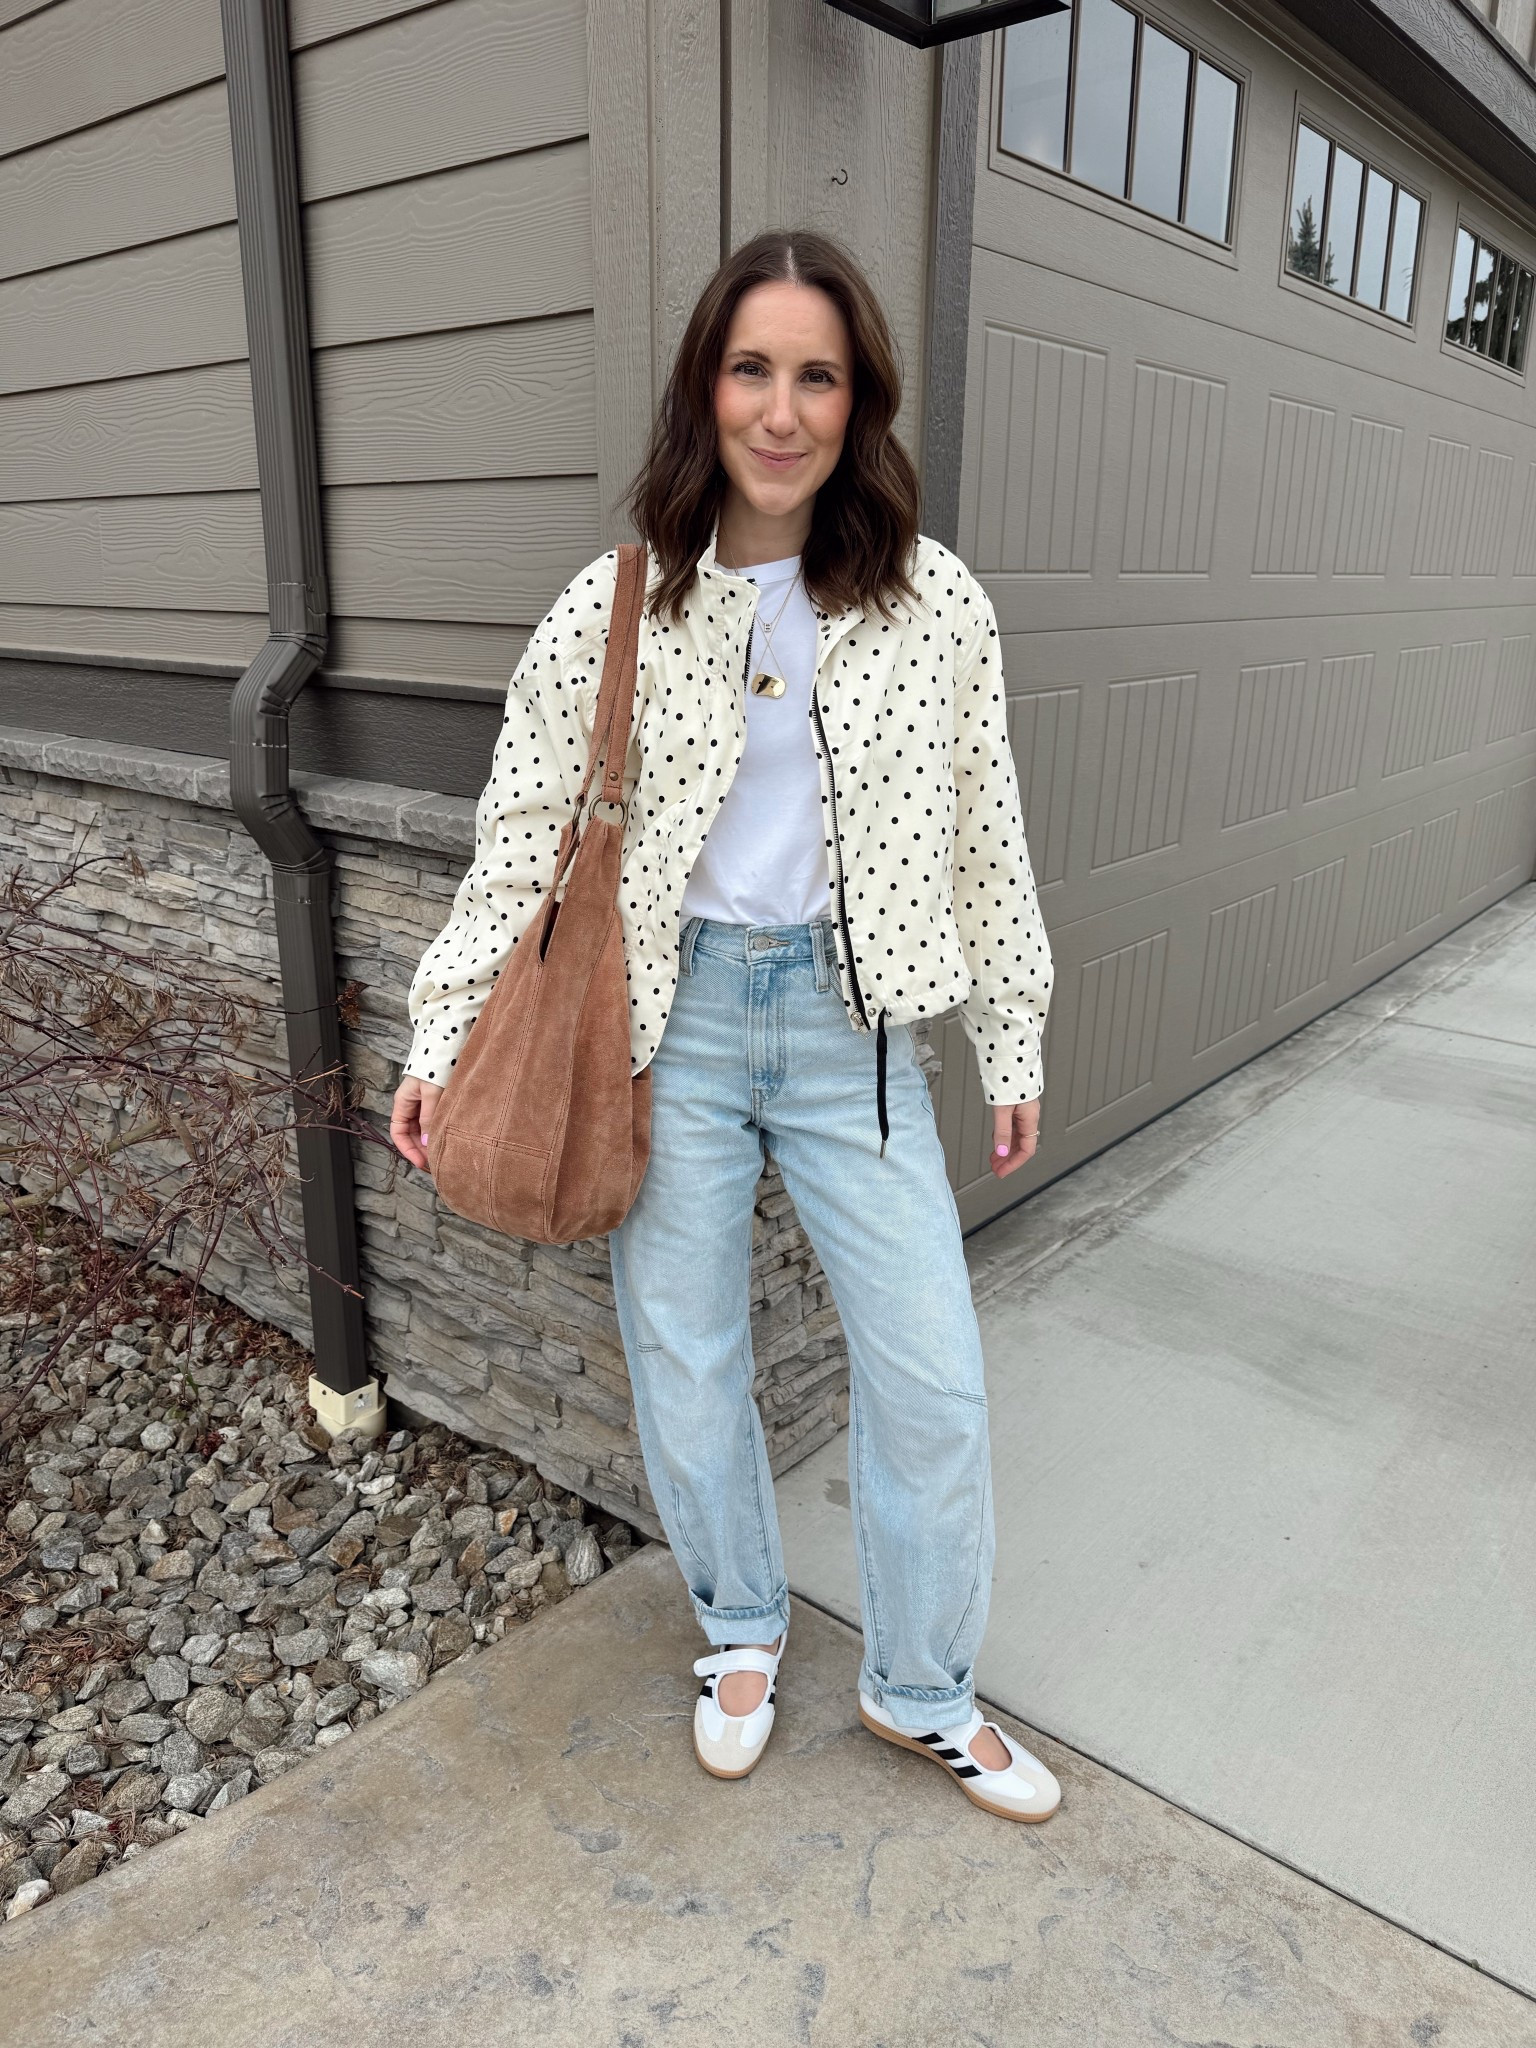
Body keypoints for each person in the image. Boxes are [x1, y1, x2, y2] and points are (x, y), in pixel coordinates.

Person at [390, 229, 1059, 1823]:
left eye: (815, 374)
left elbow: (987, 832)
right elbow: (524, 837)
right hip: (667, 1025)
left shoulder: (932, 603)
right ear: (707, 385)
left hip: (858, 1029)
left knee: (933, 1381)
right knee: (687, 1354)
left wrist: (1012, 1036)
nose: (781, 407)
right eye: (751, 367)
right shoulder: (618, 602)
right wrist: (437, 1037)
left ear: (859, 401)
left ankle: (920, 1690)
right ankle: (740, 1628)